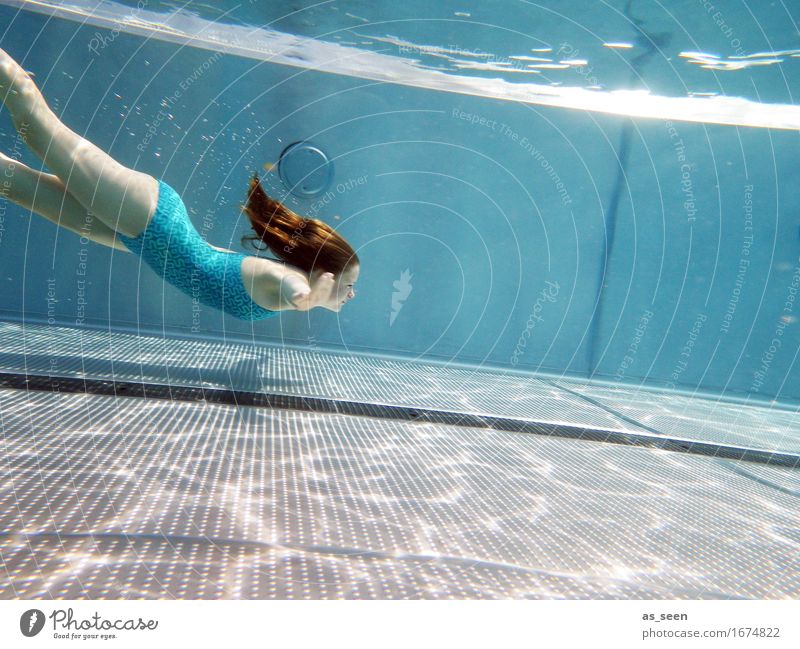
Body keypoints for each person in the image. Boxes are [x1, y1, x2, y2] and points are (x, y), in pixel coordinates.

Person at [0, 47, 359, 320]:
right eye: (348, 284)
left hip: (143, 240)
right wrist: (311, 299)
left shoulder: (288, 277)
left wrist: (315, 296)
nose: (352, 294)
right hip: (151, 219)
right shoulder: (286, 283)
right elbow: (297, 293)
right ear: (323, 274)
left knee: (13, 185)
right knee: (38, 128)